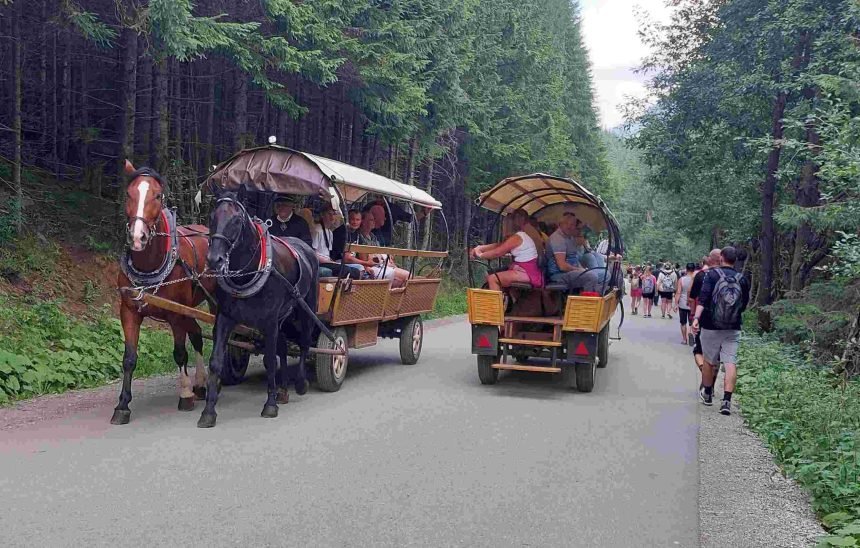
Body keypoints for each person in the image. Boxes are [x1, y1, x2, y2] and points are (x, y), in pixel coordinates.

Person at [692, 246, 751, 415]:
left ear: (721, 258)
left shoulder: (711, 275)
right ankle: (726, 401)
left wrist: (696, 319)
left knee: (709, 362)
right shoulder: (742, 279)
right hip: (733, 326)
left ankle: (708, 394)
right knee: (730, 362)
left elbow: (702, 299)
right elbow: (744, 305)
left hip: (710, 325)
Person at [470, 208, 543, 291]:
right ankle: (506, 300)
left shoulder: (517, 237)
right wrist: (480, 248)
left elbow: (497, 252)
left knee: (493, 278)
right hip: (525, 270)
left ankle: (497, 304)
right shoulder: (518, 236)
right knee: (498, 273)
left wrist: (480, 255)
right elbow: (499, 245)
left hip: (527, 272)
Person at [689, 249, 721, 395]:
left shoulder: (701, 275)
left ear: (710, 259)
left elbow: (693, 297)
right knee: (717, 356)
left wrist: (694, 316)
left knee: (699, 351)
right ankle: (711, 385)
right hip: (725, 322)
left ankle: (704, 373)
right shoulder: (732, 277)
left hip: (704, 319)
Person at [357, 210, 410, 288]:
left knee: (404, 280)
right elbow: (369, 257)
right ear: (363, 222)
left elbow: (379, 252)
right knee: (407, 276)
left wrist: (385, 258)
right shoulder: (359, 237)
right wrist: (382, 257)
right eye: (371, 220)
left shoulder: (373, 237)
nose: (374, 222)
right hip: (373, 267)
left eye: (374, 219)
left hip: (382, 265)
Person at [310, 205, 362, 279]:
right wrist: (329, 261)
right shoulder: (317, 230)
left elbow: (328, 253)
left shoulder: (330, 232)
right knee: (348, 270)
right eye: (329, 214)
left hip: (328, 261)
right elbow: (312, 253)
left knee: (355, 271)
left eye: (334, 214)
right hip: (320, 262)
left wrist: (331, 261)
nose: (332, 217)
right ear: (322, 215)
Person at [545, 212, 586, 289]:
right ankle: (585, 299)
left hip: (572, 271)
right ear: (560, 224)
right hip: (558, 274)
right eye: (566, 223)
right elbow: (562, 266)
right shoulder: (557, 238)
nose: (569, 226)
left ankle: (593, 297)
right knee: (591, 277)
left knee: (604, 275)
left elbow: (575, 258)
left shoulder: (569, 237)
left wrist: (583, 269)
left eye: (572, 224)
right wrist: (580, 270)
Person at [674, 263, 696, 344]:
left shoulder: (681, 279)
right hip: (692, 304)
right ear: (694, 269)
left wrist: (676, 304)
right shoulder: (696, 279)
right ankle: (690, 333)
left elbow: (678, 292)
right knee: (692, 322)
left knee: (683, 322)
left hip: (682, 304)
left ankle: (684, 339)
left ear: (686, 270)